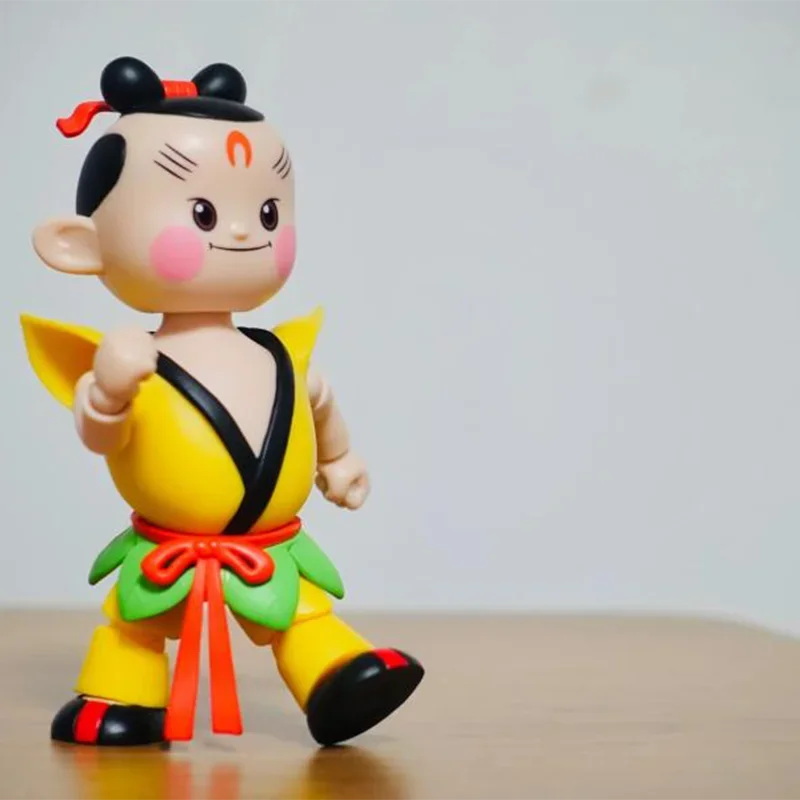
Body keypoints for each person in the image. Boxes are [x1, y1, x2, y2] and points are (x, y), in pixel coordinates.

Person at [20, 56, 423, 748]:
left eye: (268, 212)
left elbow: (317, 403)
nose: (242, 232)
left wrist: (338, 459)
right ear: (81, 246)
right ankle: (120, 697)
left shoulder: (278, 354)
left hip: (270, 546)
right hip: (168, 551)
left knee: (297, 610)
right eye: (202, 213)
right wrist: (109, 390)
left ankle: (335, 679)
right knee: (138, 619)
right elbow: (100, 433)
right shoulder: (129, 360)